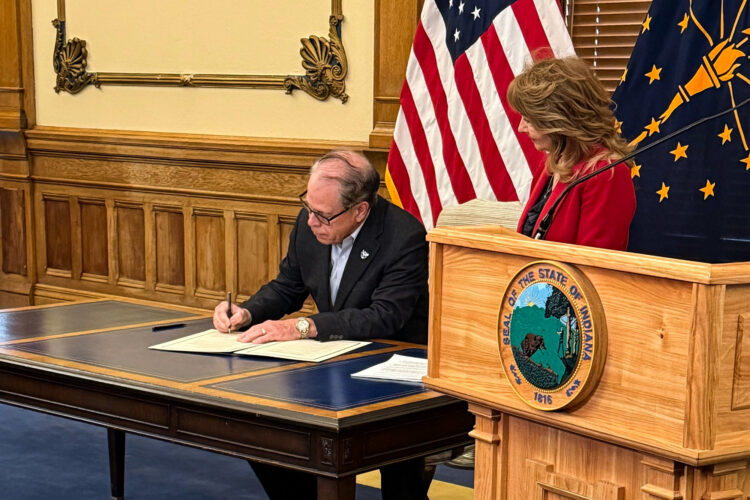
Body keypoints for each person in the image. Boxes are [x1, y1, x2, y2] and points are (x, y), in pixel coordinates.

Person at [212, 150, 432, 500]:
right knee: (262, 428)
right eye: (308, 208)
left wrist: (304, 327)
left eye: (323, 215)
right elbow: (289, 285)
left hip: (391, 362)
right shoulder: (310, 221)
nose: (311, 221)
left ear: (360, 210)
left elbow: (385, 315)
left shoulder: (403, 236)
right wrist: (247, 313)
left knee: (401, 483)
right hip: (332, 355)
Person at [507, 56, 636, 251]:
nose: (520, 128)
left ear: (560, 120)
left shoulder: (606, 174)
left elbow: (593, 268)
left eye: (529, 119)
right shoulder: (553, 161)